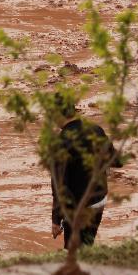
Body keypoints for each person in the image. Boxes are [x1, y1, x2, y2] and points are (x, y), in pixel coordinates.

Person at [50, 99, 122, 249]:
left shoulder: (60, 143)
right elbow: (117, 161)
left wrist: (56, 219)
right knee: (88, 244)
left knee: (72, 249)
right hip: (99, 199)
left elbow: (59, 185)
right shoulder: (95, 130)